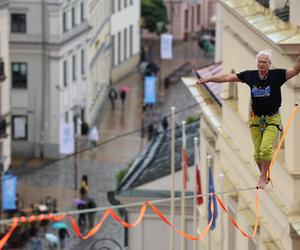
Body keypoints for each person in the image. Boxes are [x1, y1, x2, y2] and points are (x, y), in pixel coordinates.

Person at [197, 49, 300, 189]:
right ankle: (264, 174)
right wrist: (209, 79)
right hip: (256, 120)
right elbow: (228, 77)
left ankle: (263, 176)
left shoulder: (277, 75)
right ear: (257, 63)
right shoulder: (250, 76)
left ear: (269, 64)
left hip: (272, 119)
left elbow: (295, 70)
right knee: (257, 154)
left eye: (265, 62)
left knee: (265, 149)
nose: (262, 64)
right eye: (260, 62)